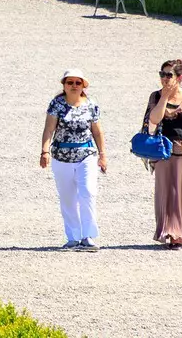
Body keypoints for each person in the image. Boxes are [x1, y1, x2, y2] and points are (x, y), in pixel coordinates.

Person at [40, 69, 108, 250]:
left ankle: (88, 236)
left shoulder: (91, 104)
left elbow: (97, 131)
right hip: (62, 157)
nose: (73, 86)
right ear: (64, 85)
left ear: (83, 85)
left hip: (86, 155)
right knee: (68, 198)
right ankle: (73, 237)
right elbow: (49, 130)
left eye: (77, 83)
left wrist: (103, 155)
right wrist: (44, 152)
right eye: (69, 82)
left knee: (88, 193)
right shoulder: (57, 104)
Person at [142, 58, 182, 247]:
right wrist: (164, 98)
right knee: (166, 192)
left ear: (180, 77)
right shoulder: (155, 96)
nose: (165, 79)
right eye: (162, 74)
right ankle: (171, 233)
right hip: (163, 151)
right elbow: (153, 120)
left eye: (169, 75)